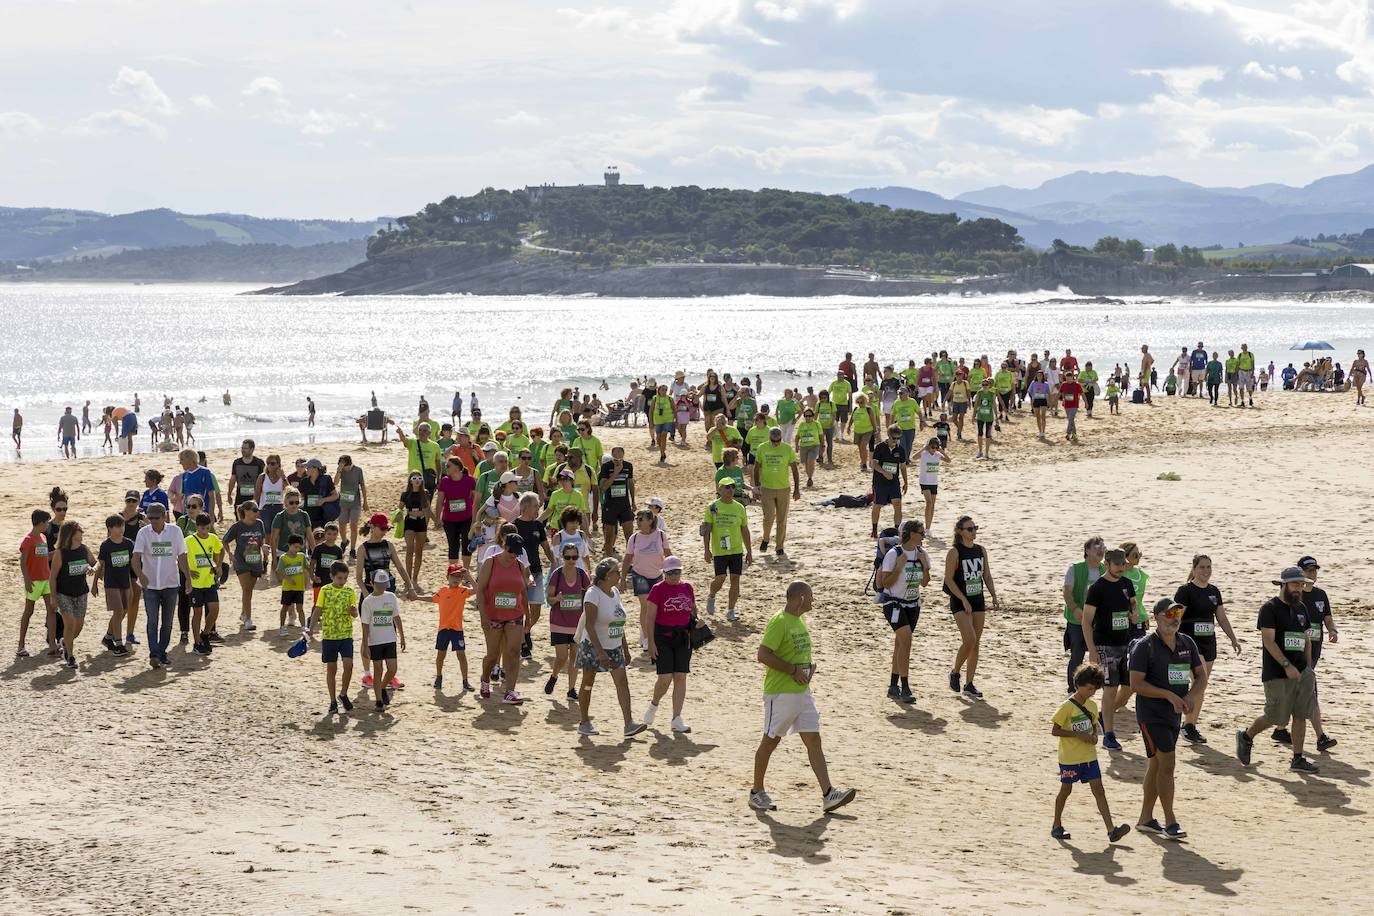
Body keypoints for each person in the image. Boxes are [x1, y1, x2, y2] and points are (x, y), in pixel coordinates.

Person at [749, 580, 857, 814]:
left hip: (802, 692)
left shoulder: (799, 620)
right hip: (780, 693)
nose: (813, 600)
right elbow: (763, 654)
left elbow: (796, 652)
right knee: (770, 741)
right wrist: (793, 670)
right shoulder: (780, 621)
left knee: (814, 740)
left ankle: (829, 794)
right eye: (810, 596)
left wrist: (809, 668)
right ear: (800, 598)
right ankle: (756, 792)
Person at [1130, 598, 1207, 839]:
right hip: (1151, 714)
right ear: (1157, 617)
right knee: (1168, 764)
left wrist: (1191, 695)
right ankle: (1170, 821)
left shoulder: (1187, 643)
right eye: (1169, 614)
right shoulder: (1145, 646)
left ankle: (1145, 819)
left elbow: (1201, 677)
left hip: (1174, 715)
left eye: (1178, 613)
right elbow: (1136, 684)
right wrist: (1168, 695)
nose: (1174, 618)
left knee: (1156, 764)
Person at [1235, 567, 1321, 773]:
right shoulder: (1269, 608)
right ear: (1283, 584)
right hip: (1277, 673)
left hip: (1302, 672)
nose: (1299, 589)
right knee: (1275, 717)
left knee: (1301, 714)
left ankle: (1297, 758)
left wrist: (1308, 668)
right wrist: (1286, 665)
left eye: (1301, 585)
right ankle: (1246, 736)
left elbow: (1306, 639)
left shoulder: (1301, 609)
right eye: (1295, 584)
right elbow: (1268, 641)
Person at [1051, 664, 1132, 843]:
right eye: (1089, 688)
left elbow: (1094, 725)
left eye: (1094, 689)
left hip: (1089, 757)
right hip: (1070, 758)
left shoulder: (1093, 706)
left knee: (1099, 790)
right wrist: (1077, 735)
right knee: (1066, 790)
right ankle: (1056, 824)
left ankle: (1111, 830)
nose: (1092, 692)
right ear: (1079, 684)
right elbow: (1055, 730)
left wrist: (1094, 736)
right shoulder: (1067, 707)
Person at [1173, 554, 1241, 744]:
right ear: (1194, 569)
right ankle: (1185, 720)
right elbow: (1175, 617)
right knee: (1199, 680)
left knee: (1202, 686)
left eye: (1209, 567)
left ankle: (1190, 726)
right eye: (1202, 567)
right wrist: (1169, 640)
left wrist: (1233, 639)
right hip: (1190, 643)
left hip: (1209, 643)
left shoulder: (1214, 591)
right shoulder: (1185, 591)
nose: (1206, 571)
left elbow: (1221, 617)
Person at [575, 559, 647, 738]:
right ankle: (584, 721)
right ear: (607, 575)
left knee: (622, 682)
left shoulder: (614, 592)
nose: (620, 574)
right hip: (593, 646)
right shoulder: (593, 594)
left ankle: (629, 724)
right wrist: (600, 652)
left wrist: (626, 648)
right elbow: (590, 626)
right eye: (616, 572)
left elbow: (618, 621)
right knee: (588, 684)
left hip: (614, 646)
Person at [1080, 549, 1136, 751]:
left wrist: (1134, 615)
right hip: (1104, 644)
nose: (1121, 567)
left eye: (1123, 564)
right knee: (1110, 688)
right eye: (1117, 564)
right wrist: (1092, 650)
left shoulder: (1127, 584)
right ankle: (1109, 735)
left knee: (1130, 687)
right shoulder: (1097, 588)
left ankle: (1105, 714)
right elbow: (1086, 621)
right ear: (1107, 563)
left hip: (1126, 643)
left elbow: (1133, 607)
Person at [642, 556, 700, 733]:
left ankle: (676, 718)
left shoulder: (687, 587)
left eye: (677, 572)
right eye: (671, 572)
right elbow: (649, 618)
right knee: (665, 678)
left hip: (683, 637)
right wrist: (650, 642)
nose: (675, 575)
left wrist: (697, 621)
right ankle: (654, 704)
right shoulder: (657, 590)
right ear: (664, 573)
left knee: (681, 676)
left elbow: (692, 610)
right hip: (663, 637)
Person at [944, 515, 998, 700]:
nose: (973, 532)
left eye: (975, 528)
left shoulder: (980, 550)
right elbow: (948, 580)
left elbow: (987, 575)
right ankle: (955, 672)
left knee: (976, 643)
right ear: (960, 532)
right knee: (969, 639)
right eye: (969, 529)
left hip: (978, 600)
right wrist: (963, 599)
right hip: (960, 601)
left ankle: (969, 684)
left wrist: (993, 595)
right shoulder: (954, 552)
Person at [473, 531, 531, 704]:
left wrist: (528, 615)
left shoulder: (520, 565)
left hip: (515, 614)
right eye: (512, 551)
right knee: (492, 655)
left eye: (517, 552)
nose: (514, 555)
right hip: (493, 615)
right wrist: (483, 616)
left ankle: (510, 691)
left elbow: (523, 591)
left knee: (513, 653)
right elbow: (481, 590)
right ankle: (485, 678)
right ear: (505, 546)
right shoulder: (490, 562)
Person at [877, 520, 929, 704]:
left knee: (901, 643)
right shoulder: (894, 554)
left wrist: (923, 564)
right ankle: (905, 687)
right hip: (893, 604)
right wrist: (899, 566)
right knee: (906, 641)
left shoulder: (922, 553)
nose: (924, 536)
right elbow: (885, 583)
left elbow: (925, 583)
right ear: (911, 534)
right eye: (921, 533)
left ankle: (893, 685)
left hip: (913, 605)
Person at [1288, 556, 1337, 751]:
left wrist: (1333, 630)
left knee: (1296, 691)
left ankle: (1280, 728)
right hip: (1296, 650)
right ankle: (1321, 737)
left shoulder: (1321, 594)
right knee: (1310, 690)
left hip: (1315, 650)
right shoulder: (1294, 595)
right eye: (1309, 570)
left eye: (1315, 570)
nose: (1312, 574)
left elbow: (1327, 617)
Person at [131, 503, 189, 669]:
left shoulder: (175, 532)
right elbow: (135, 558)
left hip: (171, 583)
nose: (153, 521)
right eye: (151, 518)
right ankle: (154, 653)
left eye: (156, 517)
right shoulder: (143, 533)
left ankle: (161, 653)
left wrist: (188, 579)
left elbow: (182, 556)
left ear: (164, 516)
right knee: (152, 621)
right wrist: (141, 575)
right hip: (150, 586)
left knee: (167, 623)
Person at [309, 560, 358, 714]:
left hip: (346, 635)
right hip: (329, 635)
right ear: (332, 576)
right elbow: (318, 609)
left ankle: (343, 694)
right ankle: (332, 701)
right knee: (332, 668)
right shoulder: (325, 590)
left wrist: (353, 611)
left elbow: (355, 614)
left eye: (344, 578)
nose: (342, 581)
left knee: (348, 664)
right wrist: (310, 628)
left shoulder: (350, 591)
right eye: (339, 578)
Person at [702, 477, 752, 622]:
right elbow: (706, 530)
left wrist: (749, 551)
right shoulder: (712, 507)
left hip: (736, 549)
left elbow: (745, 530)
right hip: (720, 550)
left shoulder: (739, 507)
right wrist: (706, 550)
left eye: (732, 487)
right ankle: (711, 595)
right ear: (719, 489)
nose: (730, 490)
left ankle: (731, 610)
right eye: (727, 487)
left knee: (735, 579)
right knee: (720, 578)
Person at [545, 542, 590, 700]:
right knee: (562, 657)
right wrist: (556, 598)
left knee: (575, 658)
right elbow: (548, 599)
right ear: (562, 557)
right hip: (559, 622)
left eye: (574, 557)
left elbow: (590, 595)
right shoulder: (557, 574)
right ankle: (554, 675)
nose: (571, 560)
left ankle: (571, 690)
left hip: (577, 624)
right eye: (568, 557)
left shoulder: (582, 574)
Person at [48, 520, 95, 668]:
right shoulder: (60, 553)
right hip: (64, 594)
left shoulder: (84, 549)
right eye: (78, 532)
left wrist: (92, 568)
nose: (81, 535)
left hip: (81, 592)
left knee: (78, 626)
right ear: (70, 535)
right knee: (69, 624)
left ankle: (65, 643)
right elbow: (52, 577)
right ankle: (70, 657)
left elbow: (95, 563)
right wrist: (53, 598)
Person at [1062, 537, 1106, 694]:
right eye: (1096, 547)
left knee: (1101, 655)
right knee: (1077, 655)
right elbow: (1067, 592)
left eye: (1103, 547)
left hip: (1099, 621)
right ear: (1087, 551)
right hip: (1077, 620)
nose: (1101, 550)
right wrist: (1074, 608)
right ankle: (1072, 690)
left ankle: (1099, 688)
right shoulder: (1075, 568)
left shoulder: (1105, 570)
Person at [622, 509, 669, 651]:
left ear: (650, 521)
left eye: (641, 519)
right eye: (637, 519)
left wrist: (673, 571)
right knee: (646, 605)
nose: (638, 521)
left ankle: (648, 632)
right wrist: (623, 578)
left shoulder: (660, 535)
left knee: (656, 607)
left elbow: (668, 554)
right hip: (639, 574)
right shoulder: (634, 538)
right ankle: (648, 639)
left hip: (657, 574)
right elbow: (627, 558)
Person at [361, 569, 406, 712]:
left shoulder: (391, 597)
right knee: (378, 669)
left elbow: (396, 617)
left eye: (384, 585)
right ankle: (379, 700)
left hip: (390, 639)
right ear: (371, 583)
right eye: (379, 585)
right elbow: (365, 625)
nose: (382, 588)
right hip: (375, 641)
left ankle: (381, 687)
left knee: (392, 669)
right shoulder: (367, 602)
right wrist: (365, 644)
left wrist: (402, 636)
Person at [752, 426, 800, 558]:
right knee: (768, 517)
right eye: (773, 441)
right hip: (767, 488)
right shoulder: (762, 448)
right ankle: (766, 538)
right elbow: (756, 468)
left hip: (783, 488)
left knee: (782, 519)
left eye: (778, 441)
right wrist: (756, 487)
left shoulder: (787, 449)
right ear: (769, 439)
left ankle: (779, 546)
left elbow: (794, 470)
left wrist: (797, 489)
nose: (776, 443)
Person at [91, 514, 134, 656]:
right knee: (118, 611)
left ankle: (108, 637)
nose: (121, 529)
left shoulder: (128, 543)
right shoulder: (106, 545)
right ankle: (119, 643)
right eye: (117, 526)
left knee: (124, 610)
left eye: (122, 525)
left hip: (125, 583)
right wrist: (95, 584)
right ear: (109, 528)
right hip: (111, 584)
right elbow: (100, 565)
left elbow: (134, 563)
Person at [17, 508, 55, 658]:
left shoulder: (43, 538)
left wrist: (58, 552)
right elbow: (23, 562)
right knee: (29, 611)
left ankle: (52, 644)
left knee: (51, 610)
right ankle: (21, 645)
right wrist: (26, 579)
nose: (48, 525)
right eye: (46, 522)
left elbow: (45, 558)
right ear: (40, 523)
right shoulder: (28, 540)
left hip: (45, 579)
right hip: (33, 581)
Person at [398, 472, 434, 592]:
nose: (417, 480)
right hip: (410, 522)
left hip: (421, 522)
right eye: (414, 478)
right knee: (409, 550)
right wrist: (397, 517)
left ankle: (414, 579)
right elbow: (399, 509)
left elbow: (428, 509)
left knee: (419, 552)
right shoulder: (405, 494)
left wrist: (436, 521)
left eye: (419, 478)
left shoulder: (425, 493)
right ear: (410, 481)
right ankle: (407, 580)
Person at [869, 425, 907, 537]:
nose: (896, 441)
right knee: (878, 505)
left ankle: (897, 531)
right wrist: (884, 472)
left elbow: (903, 467)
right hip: (879, 482)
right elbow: (874, 464)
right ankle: (874, 529)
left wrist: (906, 482)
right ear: (889, 436)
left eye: (898, 438)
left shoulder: (900, 449)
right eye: (893, 438)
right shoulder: (880, 447)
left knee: (898, 504)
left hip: (894, 482)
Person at [598, 447, 635, 554]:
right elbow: (603, 487)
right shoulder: (606, 466)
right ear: (612, 455)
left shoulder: (628, 466)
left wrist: (633, 501)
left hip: (625, 505)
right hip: (610, 505)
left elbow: (630, 483)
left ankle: (631, 561)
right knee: (609, 537)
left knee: (629, 536)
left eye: (620, 456)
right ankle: (609, 559)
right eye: (615, 456)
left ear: (623, 455)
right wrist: (615, 473)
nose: (618, 459)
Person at [393, 418, 442, 497]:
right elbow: (404, 440)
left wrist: (438, 478)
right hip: (414, 477)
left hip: (429, 477)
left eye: (424, 431)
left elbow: (438, 463)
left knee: (427, 501)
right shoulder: (413, 442)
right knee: (413, 500)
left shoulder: (435, 446)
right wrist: (400, 433)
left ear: (429, 433)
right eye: (420, 430)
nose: (422, 432)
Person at [914, 437, 950, 531]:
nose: (934, 449)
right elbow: (913, 457)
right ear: (928, 446)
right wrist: (923, 448)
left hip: (933, 482)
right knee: (929, 503)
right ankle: (926, 527)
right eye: (932, 447)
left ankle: (928, 528)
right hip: (924, 482)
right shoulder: (924, 454)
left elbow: (948, 460)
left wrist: (941, 451)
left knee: (932, 505)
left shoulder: (938, 455)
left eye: (936, 447)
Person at [277, 535, 309, 634]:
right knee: (285, 607)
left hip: (299, 587)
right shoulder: (284, 558)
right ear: (289, 545)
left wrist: (308, 580)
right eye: (295, 546)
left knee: (300, 608)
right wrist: (288, 579)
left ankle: (303, 627)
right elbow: (279, 571)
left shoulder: (301, 556)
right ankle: (282, 627)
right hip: (288, 588)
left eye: (299, 547)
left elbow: (306, 568)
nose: (297, 549)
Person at [230, 440, 265, 512]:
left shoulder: (259, 463)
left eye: (245, 448)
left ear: (252, 449)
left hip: (255, 497)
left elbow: (263, 480)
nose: (242, 450)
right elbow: (233, 479)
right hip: (240, 497)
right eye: (242, 448)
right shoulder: (237, 462)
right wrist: (229, 494)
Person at [972, 378, 998, 459]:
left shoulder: (992, 393)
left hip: (989, 418)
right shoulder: (979, 393)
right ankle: (980, 451)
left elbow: (994, 405)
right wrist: (973, 415)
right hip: (980, 417)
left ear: (989, 385)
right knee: (980, 433)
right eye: (983, 385)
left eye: (986, 385)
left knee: (988, 435)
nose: (984, 386)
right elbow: (976, 405)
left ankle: (986, 452)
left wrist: (997, 417)